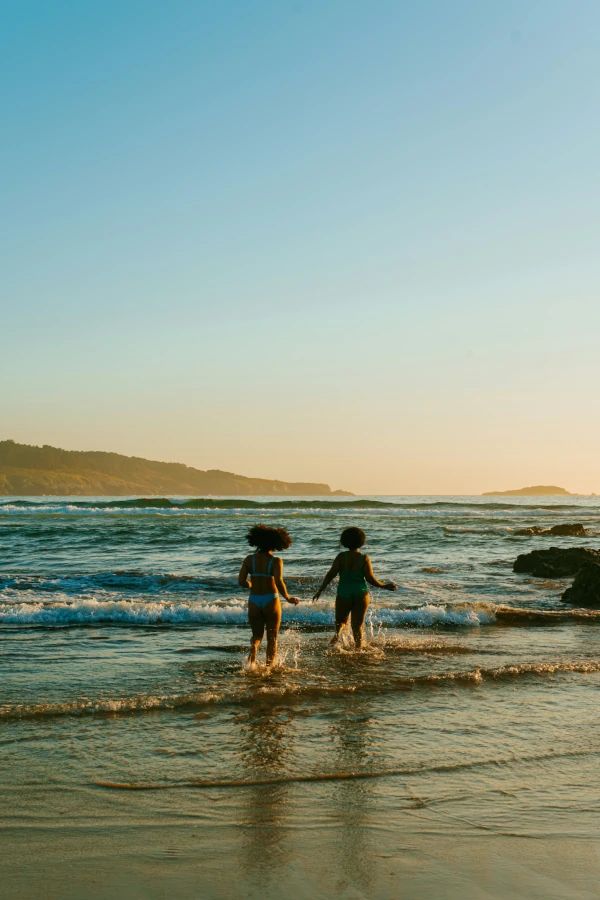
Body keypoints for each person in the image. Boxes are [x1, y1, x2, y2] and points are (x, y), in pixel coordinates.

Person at [312, 526, 397, 648]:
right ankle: (358, 648)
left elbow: (330, 574)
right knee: (357, 625)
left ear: (344, 541)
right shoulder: (364, 558)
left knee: (341, 621)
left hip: (343, 592)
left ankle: (337, 635)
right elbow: (370, 579)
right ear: (361, 541)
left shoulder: (341, 557)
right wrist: (384, 586)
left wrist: (320, 590)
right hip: (360, 592)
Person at [238, 524, 299, 666]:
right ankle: (269, 667)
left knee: (257, 635)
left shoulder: (249, 559)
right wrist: (288, 598)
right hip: (271, 599)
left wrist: (250, 585)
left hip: (254, 600)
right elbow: (278, 582)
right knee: (272, 637)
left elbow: (241, 581)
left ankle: (254, 649)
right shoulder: (276, 561)